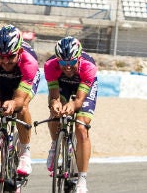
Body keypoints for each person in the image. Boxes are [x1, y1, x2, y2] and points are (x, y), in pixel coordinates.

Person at [43, 36, 98, 193]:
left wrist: (73, 105)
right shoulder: (50, 65)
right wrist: (55, 103)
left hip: (83, 86)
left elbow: (79, 100)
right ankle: (55, 145)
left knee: (81, 128)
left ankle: (82, 178)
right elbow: (54, 96)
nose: (67, 67)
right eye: (63, 63)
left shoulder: (88, 66)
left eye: (71, 63)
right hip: (63, 86)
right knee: (55, 112)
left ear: (78, 58)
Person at [0, 24, 39, 177]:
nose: (6, 61)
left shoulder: (29, 62)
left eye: (11, 57)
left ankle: (25, 153)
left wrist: (14, 103)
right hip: (1, 80)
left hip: (22, 81)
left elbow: (19, 99)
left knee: (22, 108)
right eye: (1, 57)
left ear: (19, 52)